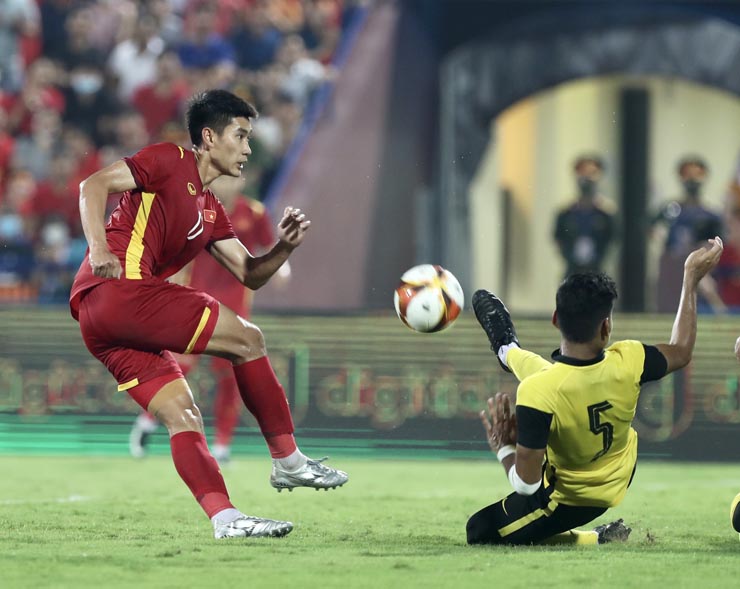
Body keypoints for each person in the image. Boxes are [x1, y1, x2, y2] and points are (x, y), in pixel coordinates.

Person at [69, 89, 348, 540]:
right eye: (241, 135)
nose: (248, 148)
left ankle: (226, 519)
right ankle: (289, 461)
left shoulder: (211, 210)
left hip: (99, 320)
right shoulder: (169, 159)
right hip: (121, 290)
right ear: (210, 137)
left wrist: (284, 247)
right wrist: (98, 247)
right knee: (248, 339)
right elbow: (92, 185)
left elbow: (250, 274)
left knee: (184, 416)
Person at [466, 236, 724, 546]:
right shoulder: (629, 359)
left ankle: (594, 538)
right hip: (620, 473)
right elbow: (681, 350)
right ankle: (507, 349)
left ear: (555, 319)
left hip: (572, 499)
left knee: (479, 529)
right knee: (550, 377)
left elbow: (526, 484)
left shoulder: (537, 391)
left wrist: (504, 448)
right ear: (605, 327)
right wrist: (691, 279)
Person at [130, 178, 286, 464]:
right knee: (179, 367)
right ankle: (146, 422)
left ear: (242, 182)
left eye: (233, 178)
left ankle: (222, 446)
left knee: (231, 378)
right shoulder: (197, 209)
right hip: (196, 301)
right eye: (222, 177)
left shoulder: (254, 213)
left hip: (234, 308)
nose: (227, 183)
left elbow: (268, 246)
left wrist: (282, 268)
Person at [654, 156, 723, 312]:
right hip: (672, 271)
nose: (692, 179)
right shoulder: (670, 210)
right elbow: (653, 229)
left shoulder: (711, 215)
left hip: (698, 269)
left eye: (696, 174)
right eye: (687, 174)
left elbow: (718, 243)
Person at [553, 154, 616, 278]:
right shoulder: (566, 212)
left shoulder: (607, 213)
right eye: (582, 172)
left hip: (598, 272)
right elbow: (558, 238)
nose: (587, 178)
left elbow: (612, 240)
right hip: (571, 272)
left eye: (592, 173)